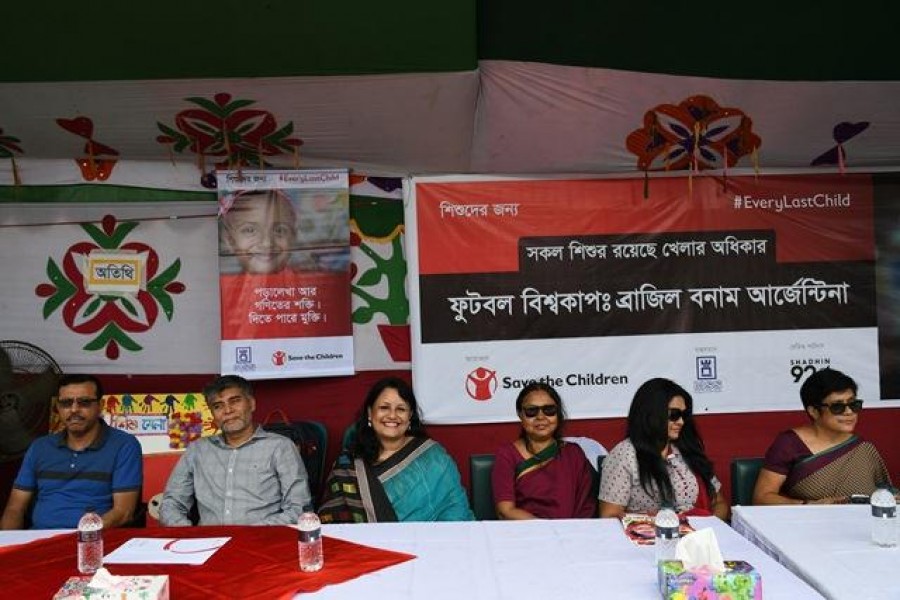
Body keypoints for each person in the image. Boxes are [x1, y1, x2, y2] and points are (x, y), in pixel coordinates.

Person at [159, 375, 311, 525]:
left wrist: (249, 535)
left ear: (251, 404)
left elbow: (299, 508)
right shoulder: (198, 450)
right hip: (208, 543)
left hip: (262, 542)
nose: (227, 410)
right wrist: (190, 535)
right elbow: (171, 504)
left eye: (235, 401)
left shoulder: (280, 447)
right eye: (218, 406)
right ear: (212, 414)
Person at [318, 377, 473, 523]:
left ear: (410, 416)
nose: (392, 415)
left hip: (433, 545)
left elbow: (455, 510)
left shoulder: (433, 457)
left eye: (401, 409)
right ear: (370, 414)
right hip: (366, 548)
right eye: (384, 408)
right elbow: (334, 522)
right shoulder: (348, 466)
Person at [0, 374, 142, 530]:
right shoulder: (40, 447)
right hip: (38, 541)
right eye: (66, 403)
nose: (74, 409)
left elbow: (123, 512)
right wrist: (6, 547)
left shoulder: (124, 445)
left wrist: (83, 537)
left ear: (100, 405)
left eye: (84, 402)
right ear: (58, 407)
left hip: (93, 541)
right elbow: (14, 510)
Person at [753, 367, 893, 505]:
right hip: (810, 523)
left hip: (863, 522)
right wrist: (807, 505)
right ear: (814, 411)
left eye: (854, 404)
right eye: (837, 407)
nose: (849, 412)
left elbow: (883, 494)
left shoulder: (862, 447)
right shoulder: (789, 444)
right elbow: (762, 497)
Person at [599, 378, 728, 520]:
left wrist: (708, 529)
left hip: (698, 536)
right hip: (648, 537)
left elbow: (720, 503)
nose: (681, 422)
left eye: (683, 415)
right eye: (674, 415)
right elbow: (610, 516)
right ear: (652, 414)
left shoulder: (687, 449)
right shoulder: (624, 455)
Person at [491, 382, 596, 519]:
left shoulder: (573, 453)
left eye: (549, 410)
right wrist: (546, 529)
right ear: (520, 414)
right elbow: (505, 510)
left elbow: (586, 506)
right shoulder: (507, 455)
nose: (541, 417)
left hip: (572, 533)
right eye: (531, 411)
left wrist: (572, 532)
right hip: (527, 533)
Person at [220, 189, 299, 275]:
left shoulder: (307, 281)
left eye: (279, 230)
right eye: (250, 230)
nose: (267, 243)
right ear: (230, 240)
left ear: (293, 237)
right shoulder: (225, 284)